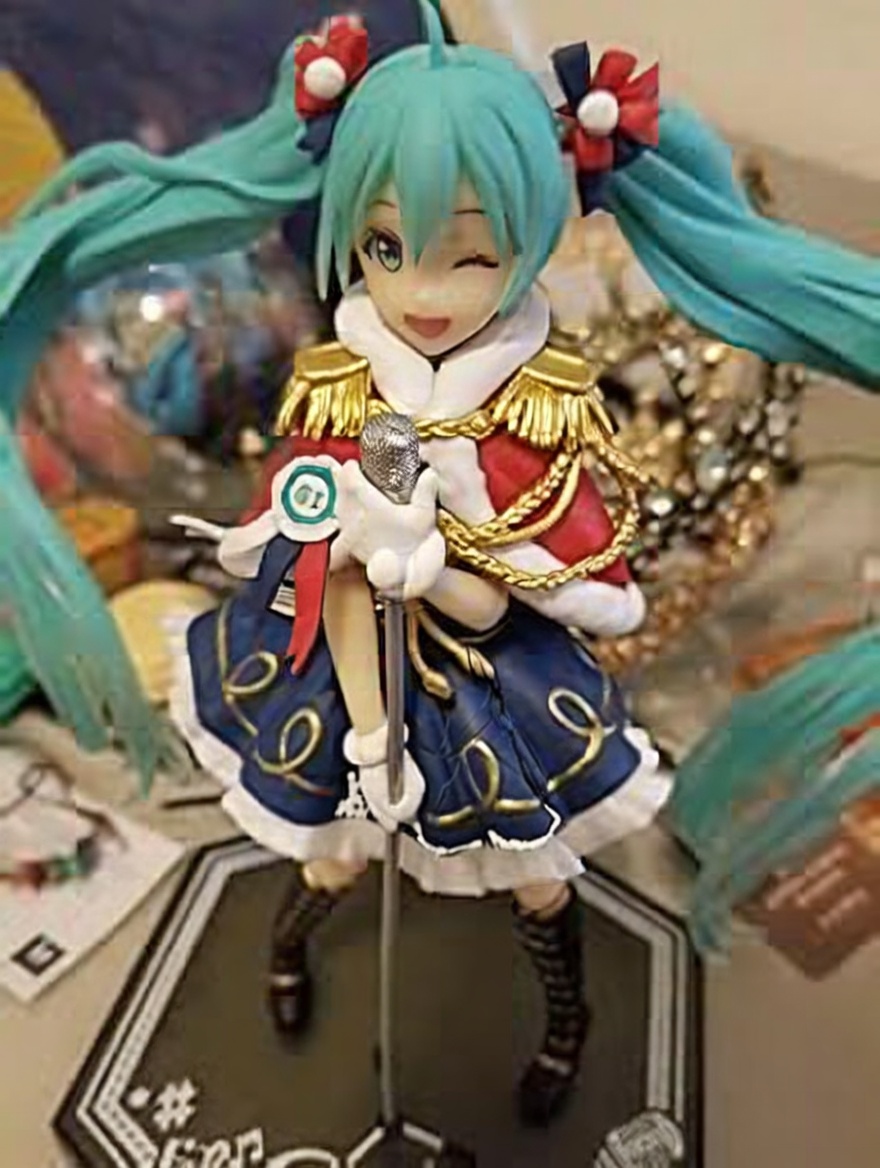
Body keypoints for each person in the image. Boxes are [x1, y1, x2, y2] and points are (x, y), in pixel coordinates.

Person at [1, 0, 878, 1129]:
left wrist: (440, 568)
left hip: (490, 685)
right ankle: (288, 950)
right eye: (385, 248)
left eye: (471, 254)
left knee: (540, 880)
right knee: (326, 860)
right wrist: (370, 725)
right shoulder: (343, 387)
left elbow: (553, 588)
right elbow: (325, 569)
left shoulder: (539, 408)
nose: (422, 292)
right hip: (350, 671)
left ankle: (565, 1021)